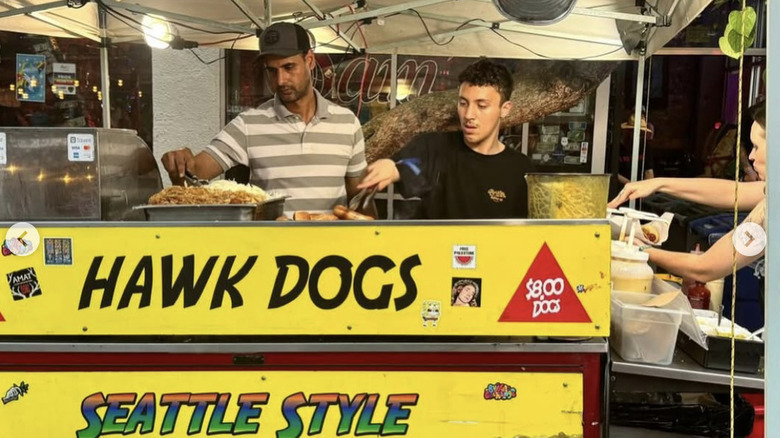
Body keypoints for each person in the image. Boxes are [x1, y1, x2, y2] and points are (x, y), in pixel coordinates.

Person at [160, 22, 366, 216]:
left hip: (331, 251)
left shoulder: (347, 123)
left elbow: (360, 201)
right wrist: (181, 163)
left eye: (289, 67)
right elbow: (196, 172)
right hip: (270, 250)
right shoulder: (249, 125)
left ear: (309, 61)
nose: (280, 80)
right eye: (271, 70)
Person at [356, 59, 531, 219]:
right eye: (463, 103)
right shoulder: (435, 147)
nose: (469, 115)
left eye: (481, 106)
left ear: (505, 109)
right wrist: (393, 167)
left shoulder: (521, 169)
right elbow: (410, 164)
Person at [618, 102, 767, 283]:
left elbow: (705, 267)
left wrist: (640, 250)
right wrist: (659, 184)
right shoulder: (773, 193)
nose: (751, 156)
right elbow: (734, 192)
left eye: (756, 147)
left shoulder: (771, 210)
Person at [616, 111, 655, 185]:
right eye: (637, 133)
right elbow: (613, 173)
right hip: (619, 189)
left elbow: (649, 171)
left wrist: (649, 190)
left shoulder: (645, 147)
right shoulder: (615, 148)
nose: (639, 136)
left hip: (638, 190)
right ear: (627, 131)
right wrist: (632, 185)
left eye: (642, 134)